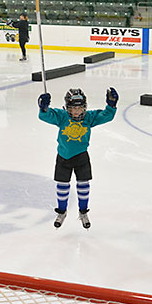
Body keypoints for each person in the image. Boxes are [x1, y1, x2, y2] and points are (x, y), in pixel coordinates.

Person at [38, 87, 118, 229]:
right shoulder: (62, 116)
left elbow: (106, 115)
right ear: (67, 108)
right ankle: (62, 211)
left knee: (83, 184)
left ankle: (83, 212)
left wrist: (111, 106)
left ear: (85, 107)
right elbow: (47, 115)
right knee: (62, 185)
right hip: (63, 157)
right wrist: (44, 108)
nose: (76, 112)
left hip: (81, 156)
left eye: (80, 108)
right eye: (73, 108)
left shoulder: (89, 117)